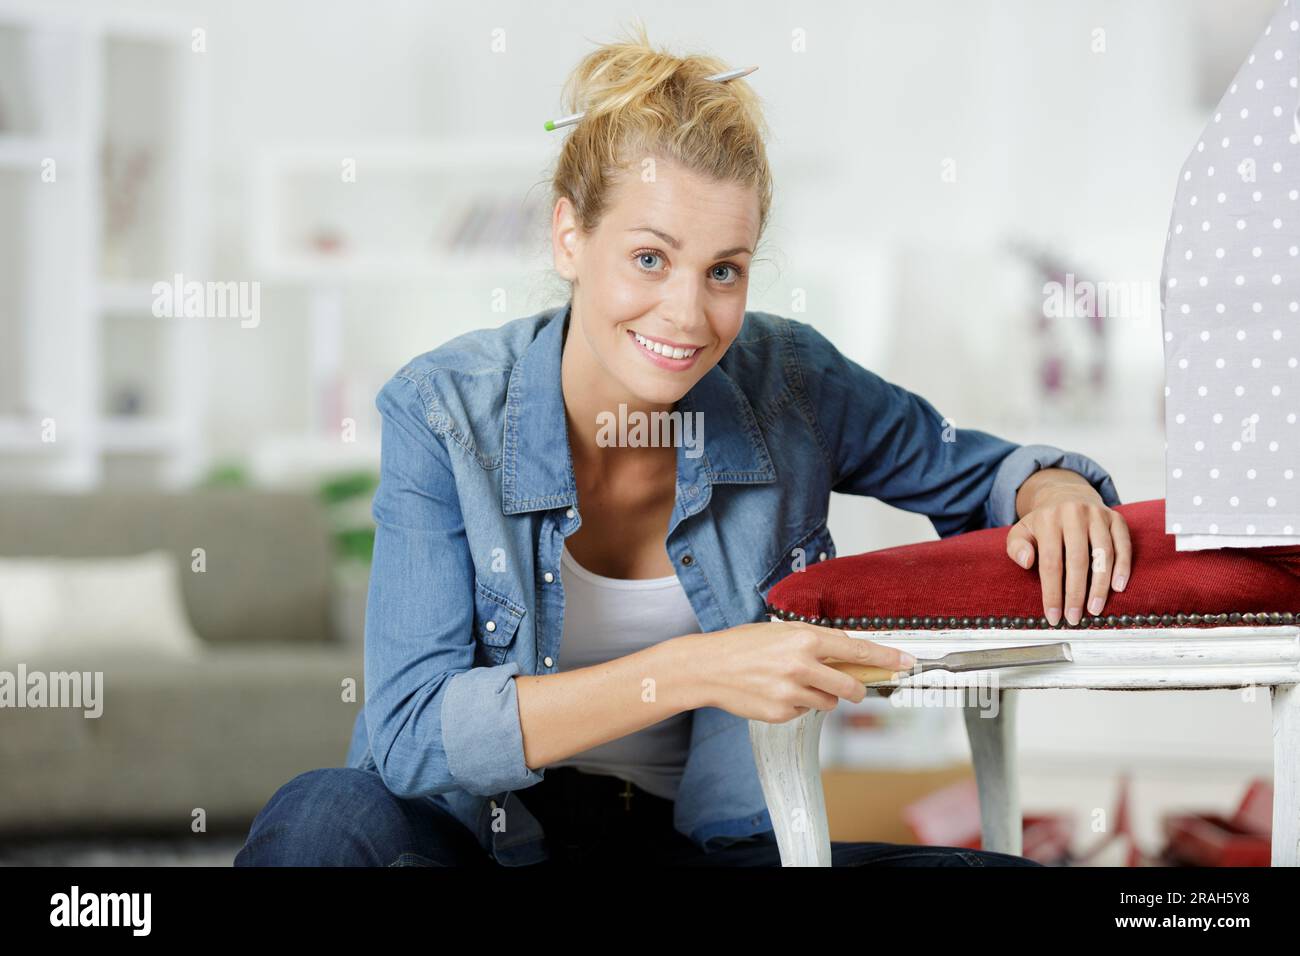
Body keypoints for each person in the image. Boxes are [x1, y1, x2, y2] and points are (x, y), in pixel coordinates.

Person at [235, 23, 1130, 868]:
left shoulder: (791, 382)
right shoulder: (443, 413)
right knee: (322, 818)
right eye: (651, 260)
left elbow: (978, 470)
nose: (689, 316)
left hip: (709, 846)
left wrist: (1050, 490)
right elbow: (410, 735)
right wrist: (697, 669)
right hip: (483, 844)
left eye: (724, 271)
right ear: (568, 236)